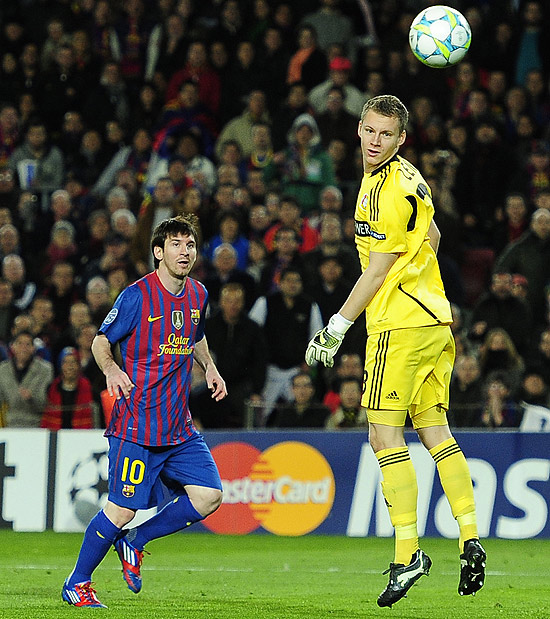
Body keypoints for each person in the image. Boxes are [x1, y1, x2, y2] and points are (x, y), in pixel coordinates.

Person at [305, 95, 485, 607]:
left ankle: (407, 557)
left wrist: (337, 324)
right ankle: (470, 538)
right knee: (435, 431)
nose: (374, 141)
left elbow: (377, 269)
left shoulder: (384, 190)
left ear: (401, 138)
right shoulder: (410, 177)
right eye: (369, 131)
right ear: (359, 129)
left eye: (386, 134)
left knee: (384, 433)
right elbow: (432, 232)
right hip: (437, 320)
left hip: (398, 323)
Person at [62, 214, 227, 608]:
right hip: (137, 426)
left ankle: (137, 541)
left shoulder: (198, 294)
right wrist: (113, 368)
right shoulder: (137, 296)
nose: (184, 252)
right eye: (175, 244)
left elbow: (196, 335)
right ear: (158, 252)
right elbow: (102, 341)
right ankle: (77, 583)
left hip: (179, 428)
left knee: (209, 495)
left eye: (189, 245)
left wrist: (211, 367)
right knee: (119, 509)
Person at [40, 346, 95, 430]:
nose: (70, 366)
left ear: (78, 365)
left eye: (73, 362)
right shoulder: (51, 389)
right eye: (66, 362)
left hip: (81, 435)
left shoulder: (88, 389)